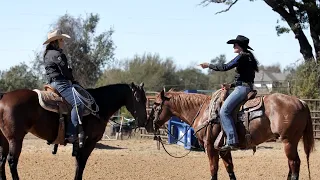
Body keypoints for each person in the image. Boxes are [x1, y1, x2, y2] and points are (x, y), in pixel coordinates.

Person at [199, 35, 259, 151]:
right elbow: (246, 77)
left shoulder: (241, 56)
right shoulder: (248, 56)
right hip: (246, 87)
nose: (233, 46)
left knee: (224, 112)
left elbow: (225, 67)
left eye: (235, 44)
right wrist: (230, 86)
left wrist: (208, 65)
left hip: (242, 89)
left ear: (240, 46)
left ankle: (232, 141)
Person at [43, 29, 85, 144]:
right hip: (60, 84)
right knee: (79, 103)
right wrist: (73, 80)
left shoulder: (47, 54)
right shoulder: (58, 54)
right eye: (61, 40)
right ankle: (71, 134)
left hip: (51, 83)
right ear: (56, 41)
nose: (63, 42)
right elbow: (65, 72)